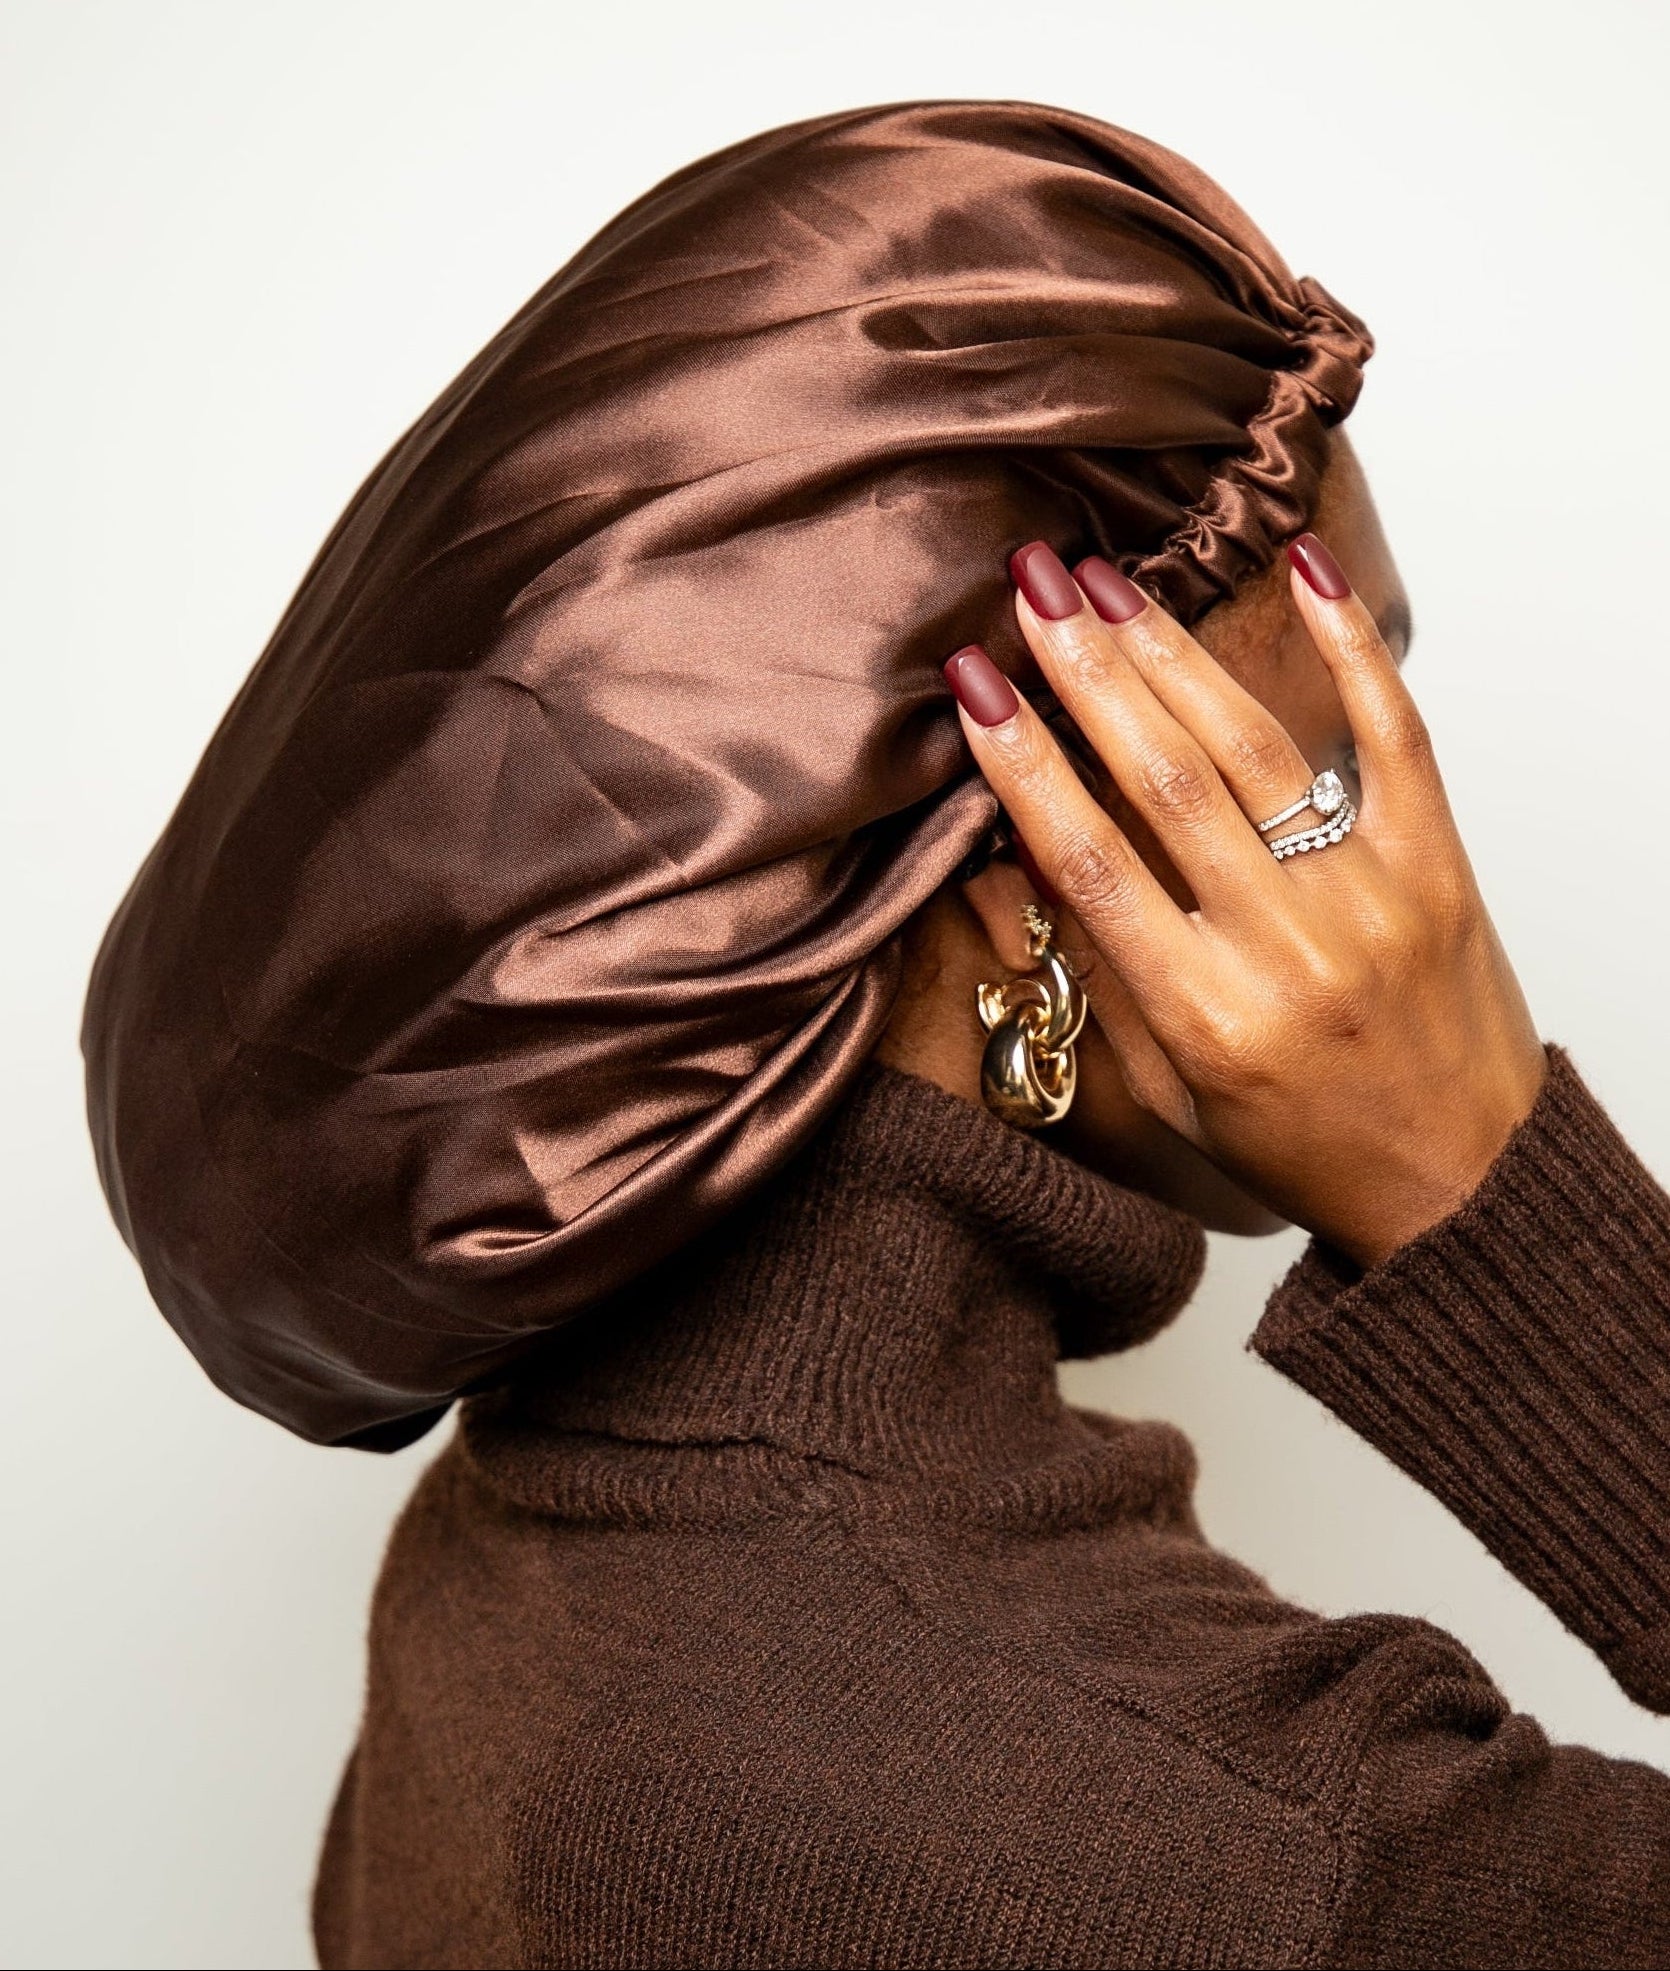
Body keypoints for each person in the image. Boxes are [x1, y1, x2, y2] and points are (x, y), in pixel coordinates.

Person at [84, 102, 1670, 1967]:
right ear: (1022, 896)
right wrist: (1487, 1194)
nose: (1422, 896)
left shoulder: (535, 1543)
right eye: (1329, 769)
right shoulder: (1248, 1848)